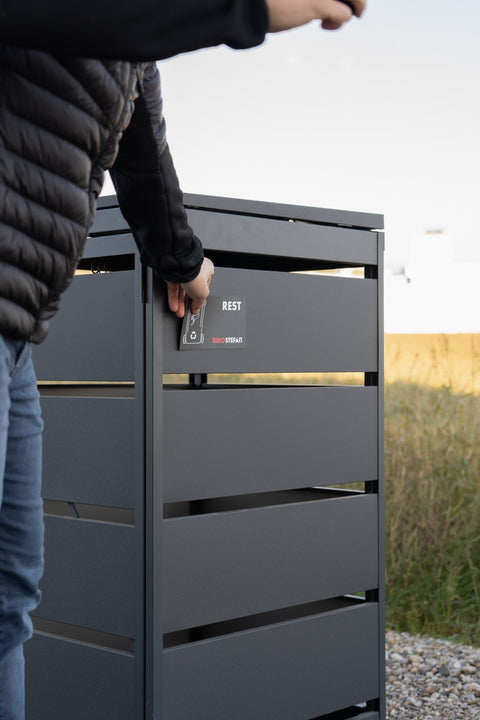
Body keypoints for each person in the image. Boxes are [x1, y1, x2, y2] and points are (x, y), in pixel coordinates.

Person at [0, 1, 366, 718]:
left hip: (20, 326)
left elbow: (139, 137)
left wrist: (180, 256)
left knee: (11, 596)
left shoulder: (131, 43)